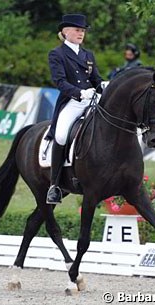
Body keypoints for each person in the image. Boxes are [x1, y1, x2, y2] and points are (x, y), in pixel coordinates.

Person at [46, 14, 103, 205]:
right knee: (61, 135)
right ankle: (54, 185)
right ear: (65, 31)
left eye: (83, 31)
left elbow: (96, 79)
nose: (81, 33)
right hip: (72, 101)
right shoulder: (57, 54)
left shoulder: (88, 55)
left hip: (92, 101)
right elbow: (60, 81)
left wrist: (104, 87)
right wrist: (80, 93)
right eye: (77, 30)